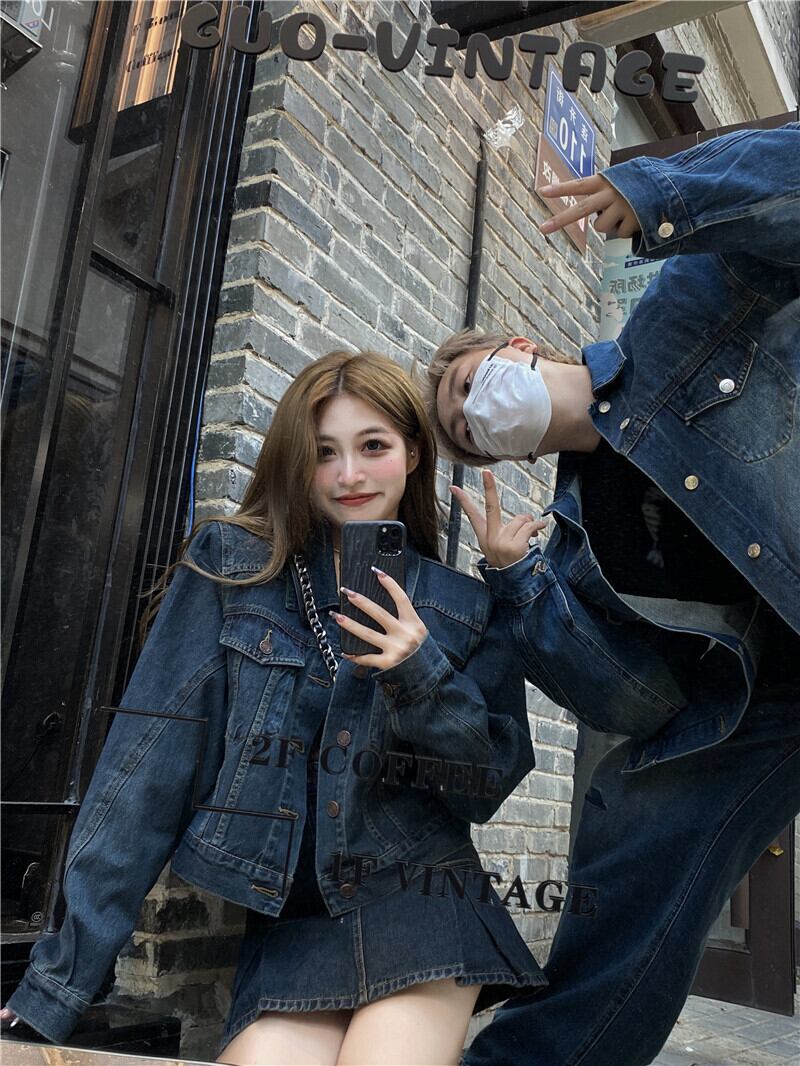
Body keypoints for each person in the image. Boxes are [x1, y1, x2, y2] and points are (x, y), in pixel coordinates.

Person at [1, 351, 542, 1065]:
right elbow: (146, 772)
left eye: (373, 446)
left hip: (423, 903)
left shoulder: (463, 605)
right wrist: (59, 984)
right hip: (293, 924)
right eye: (324, 453)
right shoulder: (235, 570)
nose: (349, 475)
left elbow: (487, 783)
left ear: (413, 453)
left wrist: (420, 673)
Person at [422, 121, 800, 1065]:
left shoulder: (680, 312)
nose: (473, 417)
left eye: (467, 388)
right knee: (636, 819)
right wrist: (518, 584)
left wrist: (667, 194)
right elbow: (642, 703)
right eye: (465, 435)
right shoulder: (573, 554)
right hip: (763, 700)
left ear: (517, 346)